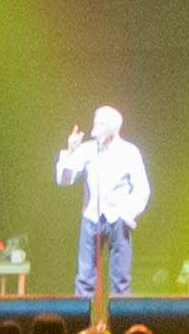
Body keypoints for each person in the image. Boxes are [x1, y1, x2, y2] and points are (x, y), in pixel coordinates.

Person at [57, 106, 152, 317]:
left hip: (119, 220)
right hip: (92, 218)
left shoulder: (129, 152)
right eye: (96, 121)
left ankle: (119, 325)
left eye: (101, 123)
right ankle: (81, 324)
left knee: (121, 280)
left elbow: (142, 189)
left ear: (113, 128)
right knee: (84, 278)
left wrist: (127, 214)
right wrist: (70, 151)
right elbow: (65, 179)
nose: (95, 126)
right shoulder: (88, 149)